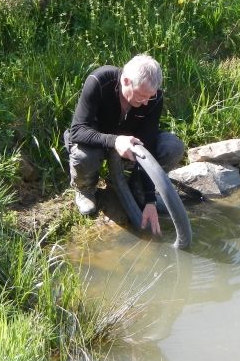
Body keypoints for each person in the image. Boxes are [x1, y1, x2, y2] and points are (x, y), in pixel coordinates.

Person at [64, 54, 184, 236]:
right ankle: (85, 189)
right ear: (126, 81)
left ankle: (138, 188)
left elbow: (149, 144)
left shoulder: (153, 98)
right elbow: (77, 130)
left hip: (130, 146)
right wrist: (115, 140)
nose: (146, 102)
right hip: (96, 142)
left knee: (173, 147)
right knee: (84, 156)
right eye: (141, 96)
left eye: (150, 97)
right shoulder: (100, 81)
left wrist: (150, 200)